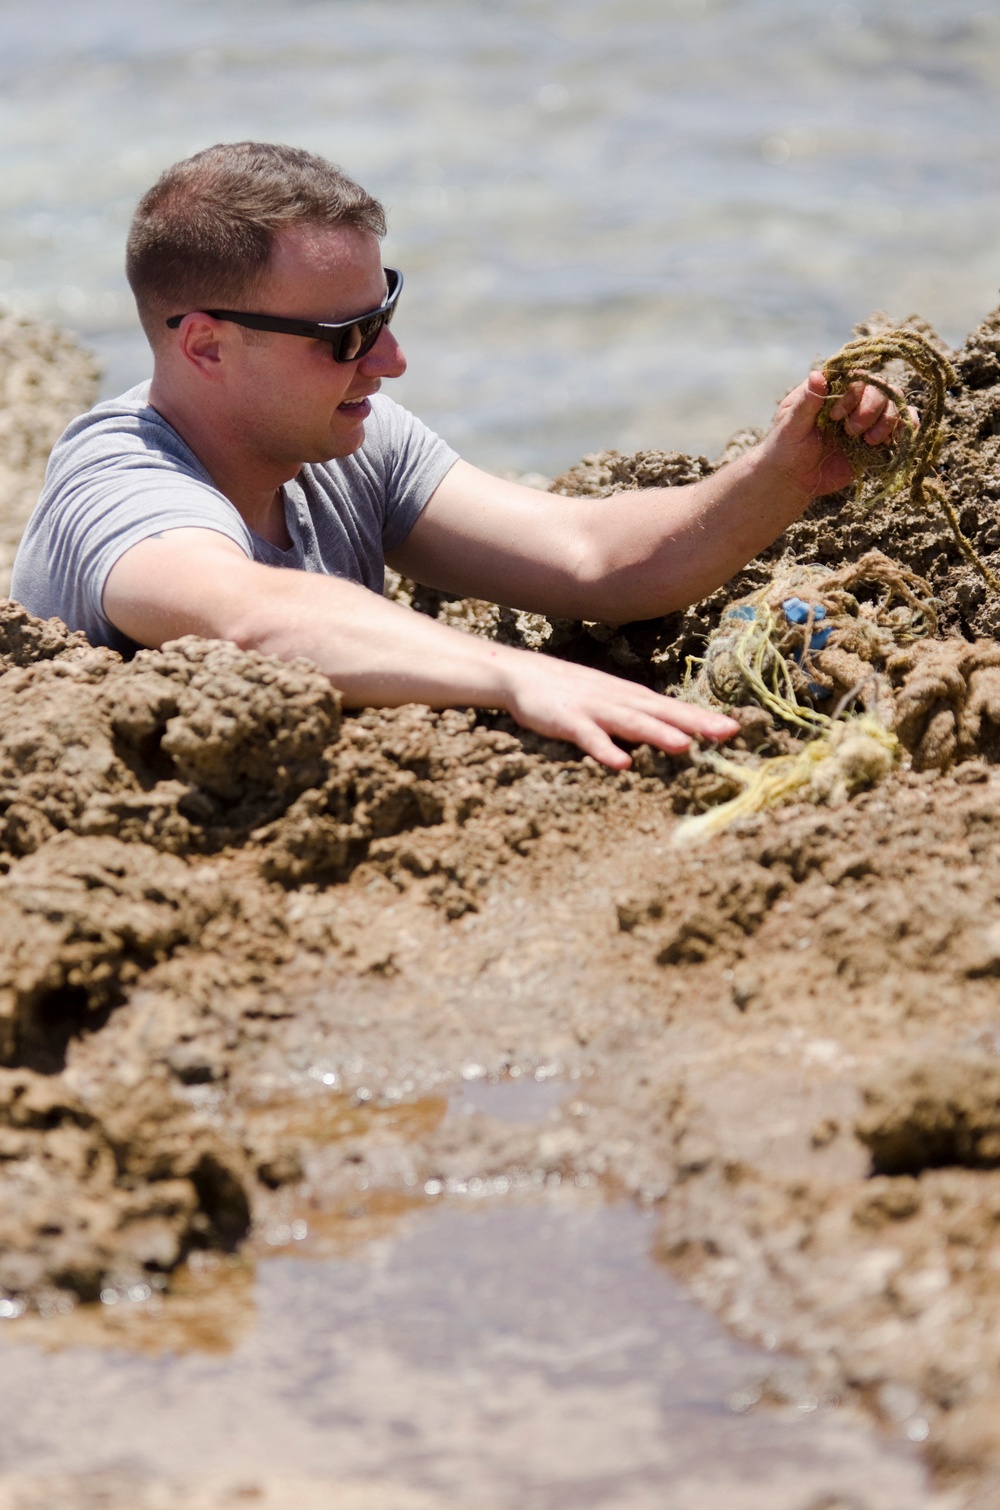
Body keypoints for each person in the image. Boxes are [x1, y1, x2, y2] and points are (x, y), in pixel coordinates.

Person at [11, 141, 902, 770]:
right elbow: (247, 616)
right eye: (346, 335)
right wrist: (510, 673)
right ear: (205, 346)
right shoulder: (121, 482)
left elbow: (593, 561)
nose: (390, 361)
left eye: (384, 313)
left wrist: (782, 474)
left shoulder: (344, 435)